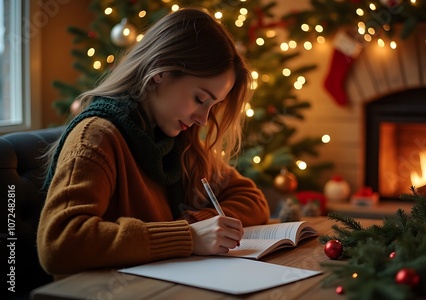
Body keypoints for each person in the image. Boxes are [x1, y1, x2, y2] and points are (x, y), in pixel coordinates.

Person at [37, 7, 270, 278]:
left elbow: (253, 199)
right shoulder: (96, 136)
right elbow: (60, 243)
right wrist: (187, 236)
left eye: (213, 106)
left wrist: (198, 223)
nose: (204, 120)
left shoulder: (178, 142)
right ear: (160, 72)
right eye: (199, 99)